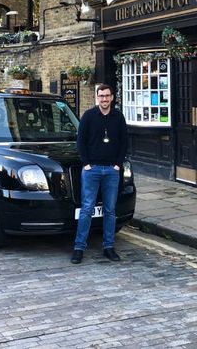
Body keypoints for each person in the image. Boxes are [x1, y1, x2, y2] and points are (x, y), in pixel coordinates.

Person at [71, 83, 128, 264]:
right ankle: (79, 248)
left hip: (112, 170)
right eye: (101, 96)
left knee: (110, 211)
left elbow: (124, 142)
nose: (104, 99)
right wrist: (86, 164)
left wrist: (118, 165)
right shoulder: (88, 116)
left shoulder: (118, 117)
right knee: (87, 209)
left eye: (107, 96)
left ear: (112, 97)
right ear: (97, 98)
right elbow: (81, 142)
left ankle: (108, 247)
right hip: (92, 170)